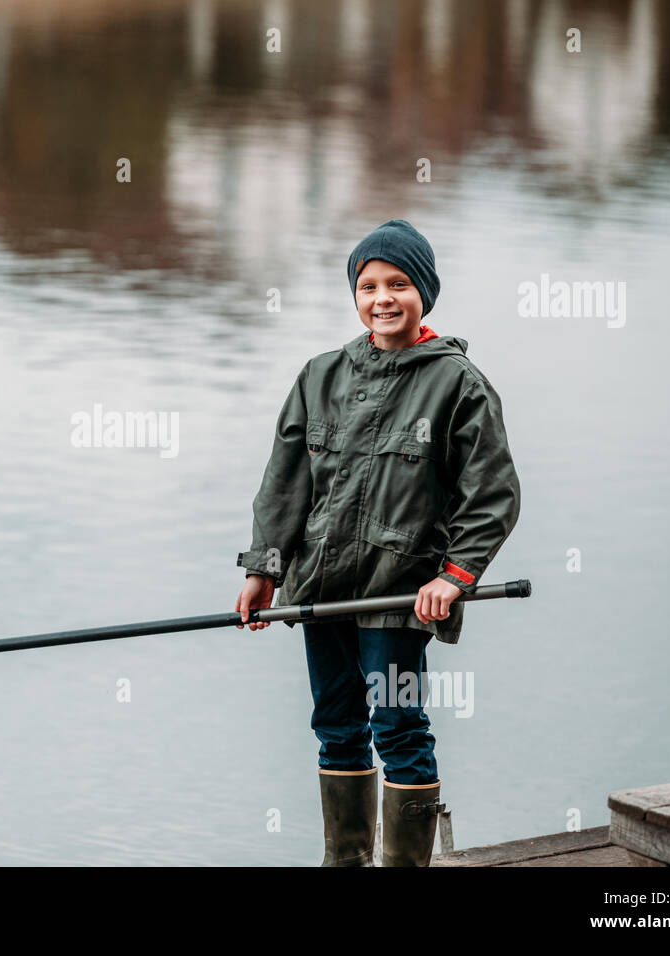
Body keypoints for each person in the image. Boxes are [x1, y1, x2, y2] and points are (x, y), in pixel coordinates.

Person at [234, 219, 521, 867]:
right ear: (355, 294)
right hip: (320, 593)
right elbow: (284, 486)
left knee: (399, 730)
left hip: (400, 597)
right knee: (336, 728)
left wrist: (453, 577)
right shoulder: (321, 375)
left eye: (399, 283)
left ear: (426, 293)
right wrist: (265, 570)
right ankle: (347, 860)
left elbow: (493, 494)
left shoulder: (458, 385)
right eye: (368, 285)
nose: (383, 298)